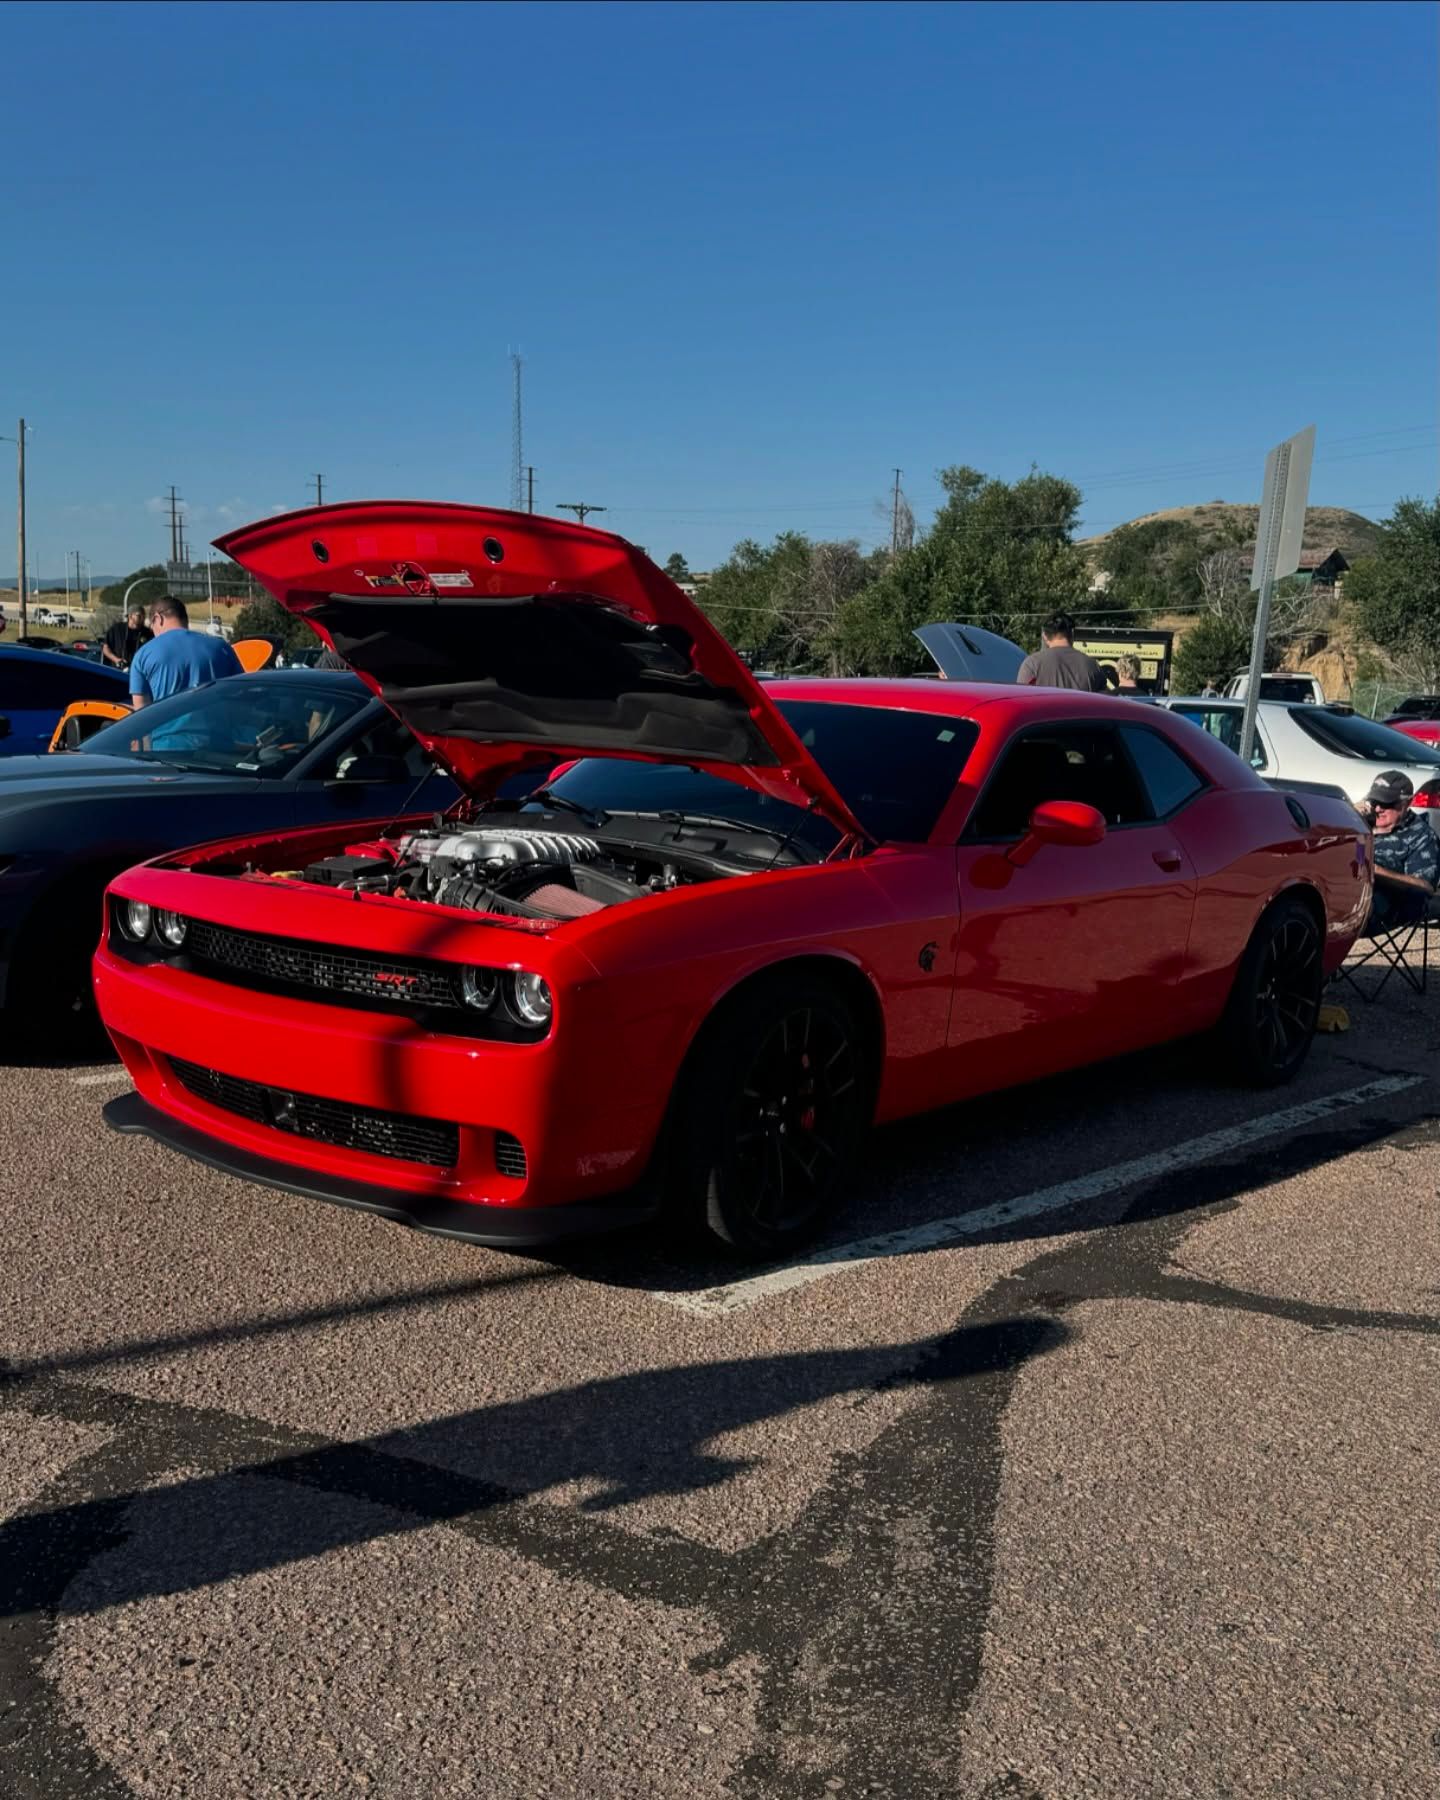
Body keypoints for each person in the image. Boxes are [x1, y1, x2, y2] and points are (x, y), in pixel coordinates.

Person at [1357, 770, 1438, 933]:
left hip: (1379, 903)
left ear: (1407, 804)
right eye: (1374, 801)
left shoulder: (1421, 836)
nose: (1378, 808)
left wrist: (1376, 872)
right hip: (1336, 889)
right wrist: (1348, 813)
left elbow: (1425, 887)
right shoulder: (1358, 821)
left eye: (1387, 803)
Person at [129, 596, 242, 709]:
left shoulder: (143, 655)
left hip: (169, 726)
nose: (152, 631)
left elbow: (141, 711)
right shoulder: (222, 647)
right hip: (217, 725)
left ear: (158, 618)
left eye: (152, 625)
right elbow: (241, 692)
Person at [1015, 613, 1108, 692]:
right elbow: (1104, 703)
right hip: (1081, 714)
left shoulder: (1032, 664)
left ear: (1044, 636)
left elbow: (1021, 698)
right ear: (1072, 634)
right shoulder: (1092, 666)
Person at [102, 605, 153, 669]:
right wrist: (116, 660)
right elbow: (106, 648)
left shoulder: (148, 633)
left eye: (143, 616)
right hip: (117, 671)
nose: (142, 618)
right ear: (130, 616)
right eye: (139, 615)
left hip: (138, 671)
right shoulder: (117, 629)